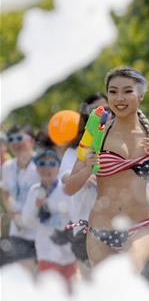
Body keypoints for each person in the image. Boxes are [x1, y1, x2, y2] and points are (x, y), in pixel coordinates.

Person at [63, 67, 149, 271]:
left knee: (128, 273)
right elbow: (69, 188)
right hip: (100, 228)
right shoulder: (96, 135)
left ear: (140, 95)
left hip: (140, 226)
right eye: (113, 92)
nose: (119, 98)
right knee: (106, 293)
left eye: (127, 91)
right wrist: (88, 169)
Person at [59, 92, 107, 277]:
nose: (103, 114)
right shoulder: (75, 151)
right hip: (85, 226)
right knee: (91, 286)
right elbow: (66, 182)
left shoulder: (122, 145)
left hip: (117, 226)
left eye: (107, 110)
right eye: (96, 111)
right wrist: (84, 173)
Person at [22, 149, 77, 290]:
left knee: (71, 295)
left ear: (58, 168)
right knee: (51, 293)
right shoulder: (34, 191)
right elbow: (27, 222)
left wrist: (51, 206)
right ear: (37, 168)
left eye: (52, 163)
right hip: (46, 251)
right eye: (42, 163)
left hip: (69, 252)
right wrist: (36, 206)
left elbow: (74, 216)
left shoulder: (67, 189)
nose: (47, 167)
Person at [0, 124, 39, 269]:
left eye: (19, 138)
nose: (15, 142)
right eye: (11, 139)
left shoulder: (43, 163)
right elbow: (5, 193)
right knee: (23, 274)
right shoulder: (7, 167)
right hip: (18, 232)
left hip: (42, 231)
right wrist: (14, 215)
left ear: (32, 141)